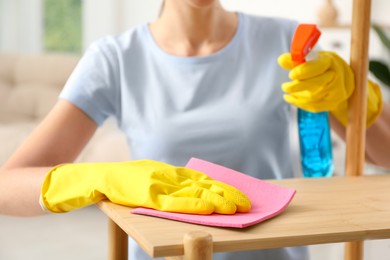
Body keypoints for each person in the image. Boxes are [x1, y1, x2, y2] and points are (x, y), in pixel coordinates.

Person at [0, 0, 389, 259]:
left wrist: (353, 99)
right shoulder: (115, 59)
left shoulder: (289, 42)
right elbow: (7, 187)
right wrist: (99, 176)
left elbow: (383, 154)